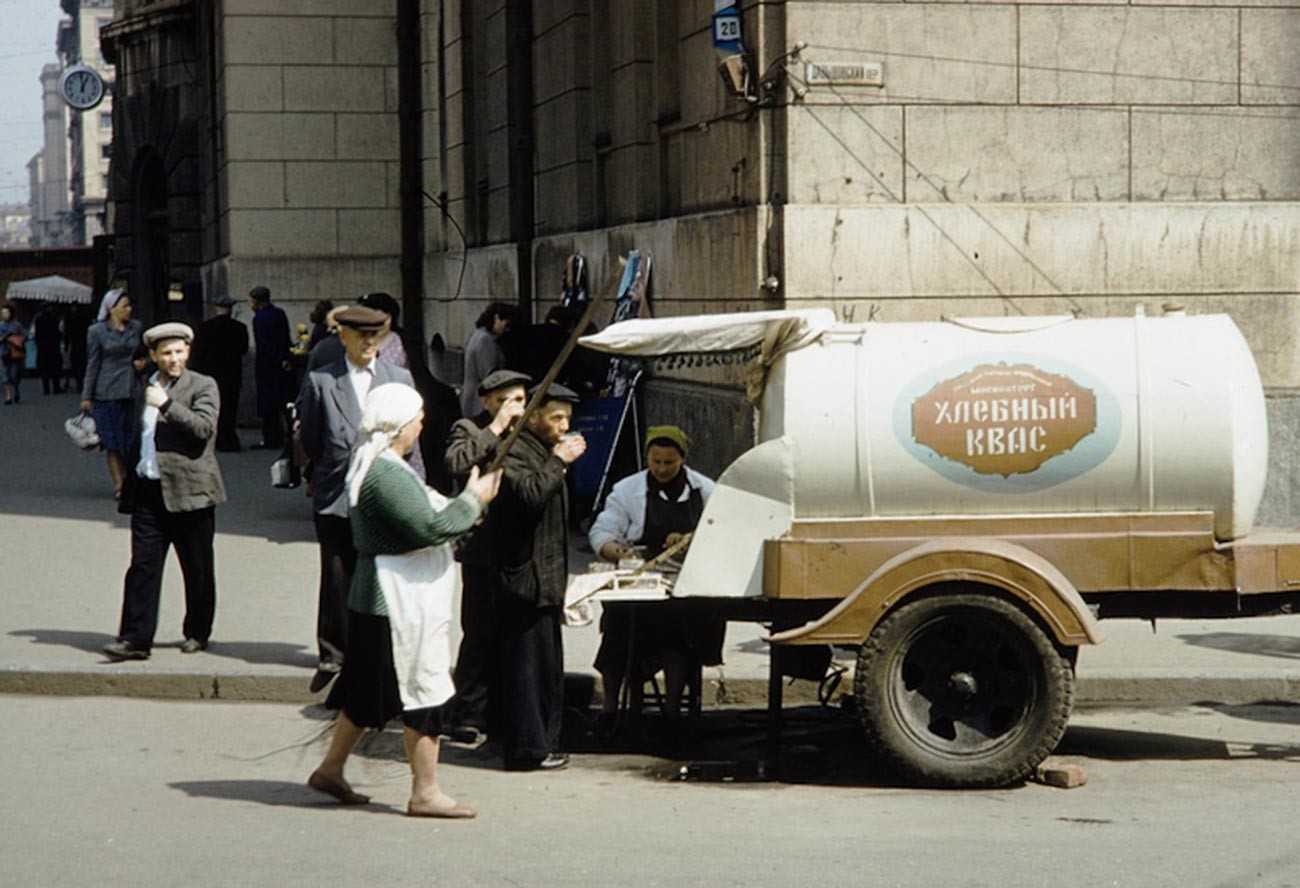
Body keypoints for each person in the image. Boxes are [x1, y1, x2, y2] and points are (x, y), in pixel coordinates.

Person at [308, 383, 501, 818]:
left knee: (365, 692)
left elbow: (428, 515)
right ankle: (426, 792)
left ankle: (331, 769)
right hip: (395, 601)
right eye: (417, 416)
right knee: (423, 689)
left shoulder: (376, 463)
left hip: (381, 597)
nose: (421, 423)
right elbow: (431, 527)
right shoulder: (384, 473)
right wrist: (474, 499)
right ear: (397, 425)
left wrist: (465, 503)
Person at [298, 305, 416, 691]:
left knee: (385, 575)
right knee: (337, 575)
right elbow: (311, 438)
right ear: (342, 337)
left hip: (384, 495)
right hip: (337, 495)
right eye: (361, 336)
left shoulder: (398, 378)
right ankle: (334, 655)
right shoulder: (321, 380)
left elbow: (413, 441)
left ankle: (381, 651)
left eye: (374, 336)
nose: (369, 343)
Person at [102, 322, 226, 661]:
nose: (174, 359)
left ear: (188, 352)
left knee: (197, 568)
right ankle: (134, 638)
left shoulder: (203, 385)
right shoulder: (145, 386)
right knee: (143, 566)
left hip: (191, 492)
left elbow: (204, 429)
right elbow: (138, 436)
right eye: (167, 353)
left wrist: (168, 404)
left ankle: (198, 632)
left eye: (179, 352)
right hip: (149, 490)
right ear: (154, 356)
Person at [479, 382, 586, 770]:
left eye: (567, 419)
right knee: (526, 669)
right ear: (534, 416)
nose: (563, 426)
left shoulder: (539, 449)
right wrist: (558, 460)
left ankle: (542, 741)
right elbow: (529, 494)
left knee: (545, 668)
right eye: (556, 417)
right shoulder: (515, 449)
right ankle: (527, 748)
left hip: (546, 579)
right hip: (524, 578)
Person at [588, 426, 724, 729]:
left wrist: (689, 540)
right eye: (655, 462)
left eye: (669, 463)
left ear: (683, 460)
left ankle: (673, 711)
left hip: (685, 582)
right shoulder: (627, 490)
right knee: (618, 629)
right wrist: (617, 551)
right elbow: (602, 531)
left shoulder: (705, 490)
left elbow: (721, 534)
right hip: (641, 577)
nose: (661, 469)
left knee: (678, 633)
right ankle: (611, 708)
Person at [443, 368, 530, 742]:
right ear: (487, 402)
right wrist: (495, 428)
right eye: (507, 401)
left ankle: (506, 710)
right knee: (478, 632)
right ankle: (468, 712)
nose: (516, 408)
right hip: (481, 547)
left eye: (521, 401)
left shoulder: (527, 433)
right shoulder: (469, 427)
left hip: (519, 548)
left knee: (514, 632)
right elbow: (457, 463)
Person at [81, 289, 145, 501]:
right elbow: (93, 363)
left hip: (130, 389)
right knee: (111, 442)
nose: (129, 309)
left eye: (129, 305)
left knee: (130, 440)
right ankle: (119, 484)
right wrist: (86, 396)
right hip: (105, 391)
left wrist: (143, 364)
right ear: (111, 308)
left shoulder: (136, 328)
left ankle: (131, 480)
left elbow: (146, 353)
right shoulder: (97, 331)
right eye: (124, 306)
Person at [188, 292, 249, 452]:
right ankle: (230, 438)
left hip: (211, 374)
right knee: (230, 406)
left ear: (216, 308)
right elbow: (243, 349)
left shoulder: (205, 328)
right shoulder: (240, 328)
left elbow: (198, 353)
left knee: (214, 407)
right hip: (232, 373)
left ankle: (216, 439)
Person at [249, 284, 293, 449]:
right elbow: (285, 337)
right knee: (283, 401)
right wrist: (284, 357)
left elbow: (264, 344)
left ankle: (271, 438)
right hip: (281, 362)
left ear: (257, 301)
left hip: (267, 366)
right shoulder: (279, 314)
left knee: (268, 405)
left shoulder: (259, 318)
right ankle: (287, 435)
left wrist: (275, 357)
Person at [459, 301, 516, 418]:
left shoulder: (477, 335)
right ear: (496, 318)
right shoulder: (486, 340)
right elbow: (489, 374)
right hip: (479, 402)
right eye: (506, 325)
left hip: (472, 397)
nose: (507, 330)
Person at [33, 305, 64, 395]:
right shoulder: (54, 319)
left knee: (44, 370)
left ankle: (46, 389)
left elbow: (37, 335)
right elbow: (58, 333)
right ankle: (56, 387)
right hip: (53, 347)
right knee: (55, 369)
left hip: (43, 348)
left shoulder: (38, 319)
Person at [0, 304, 26, 405]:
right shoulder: (1, 325)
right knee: (5, 374)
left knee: (14, 374)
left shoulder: (17, 325)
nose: (4, 315)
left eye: (6, 312)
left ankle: (15, 389)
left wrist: (16, 339)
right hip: (3, 352)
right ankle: (8, 396)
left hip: (15, 352)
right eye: (3, 313)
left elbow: (24, 335)